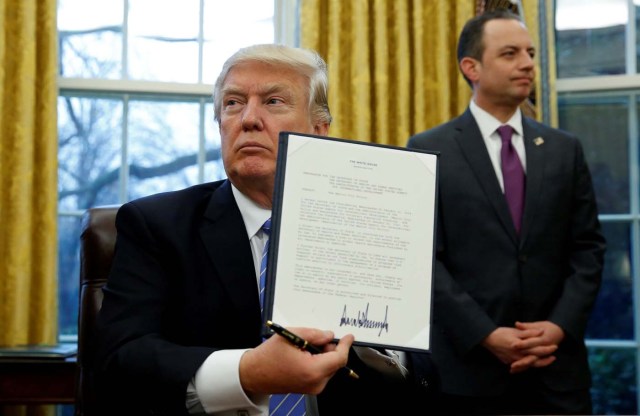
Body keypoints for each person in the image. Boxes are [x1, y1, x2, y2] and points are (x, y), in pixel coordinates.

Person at [93, 43, 435, 416]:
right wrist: (248, 373)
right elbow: (118, 362)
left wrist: (379, 339)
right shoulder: (156, 225)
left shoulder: (372, 227)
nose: (249, 119)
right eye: (233, 103)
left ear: (318, 130)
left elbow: (421, 373)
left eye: (273, 102)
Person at [407, 9, 606, 415]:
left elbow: (588, 249)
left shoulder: (565, 150)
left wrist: (557, 328)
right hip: (467, 376)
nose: (528, 63)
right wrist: (484, 335)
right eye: (511, 53)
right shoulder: (429, 148)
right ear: (472, 67)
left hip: (556, 372)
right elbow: (424, 259)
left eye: (530, 53)